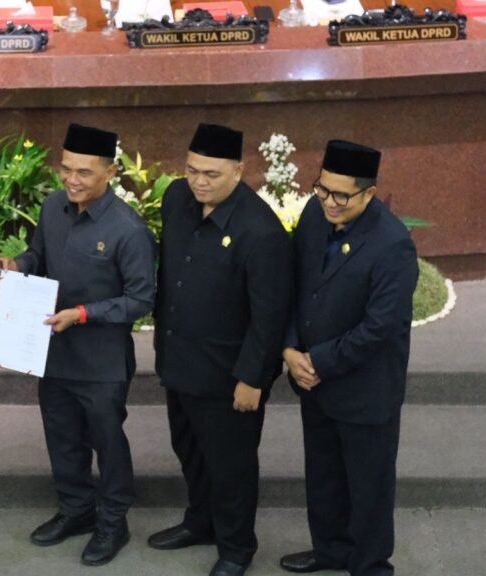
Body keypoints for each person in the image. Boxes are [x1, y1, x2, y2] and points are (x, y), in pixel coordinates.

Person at [0, 122, 155, 567]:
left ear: (111, 171)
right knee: (62, 438)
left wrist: (84, 313)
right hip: (51, 350)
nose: (72, 180)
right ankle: (75, 511)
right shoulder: (51, 208)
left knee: (107, 441)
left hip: (101, 362)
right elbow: (38, 257)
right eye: (66, 169)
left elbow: (141, 299)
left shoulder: (128, 229)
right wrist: (15, 264)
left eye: (84, 172)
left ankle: (113, 521)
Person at [150, 123, 293, 576]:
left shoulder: (261, 231)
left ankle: (236, 548)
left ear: (239, 170)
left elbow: (269, 316)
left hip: (229, 377)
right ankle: (201, 522)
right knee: (188, 451)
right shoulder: (176, 199)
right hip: (179, 363)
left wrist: (254, 378)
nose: (199, 182)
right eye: (192, 170)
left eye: (211, 173)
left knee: (231, 468)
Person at [279, 140, 418, 576]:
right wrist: (288, 347)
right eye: (323, 189)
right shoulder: (313, 216)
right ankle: (330, 551)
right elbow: (296, 288)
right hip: (314, 382)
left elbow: (379, 328)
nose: (330, 202)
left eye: (342, 195)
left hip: (363, 389)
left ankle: (370, 565)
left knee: (368, 487)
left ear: (369, 193)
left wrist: (317, 361)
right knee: (323, 477)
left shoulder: (392, 244)